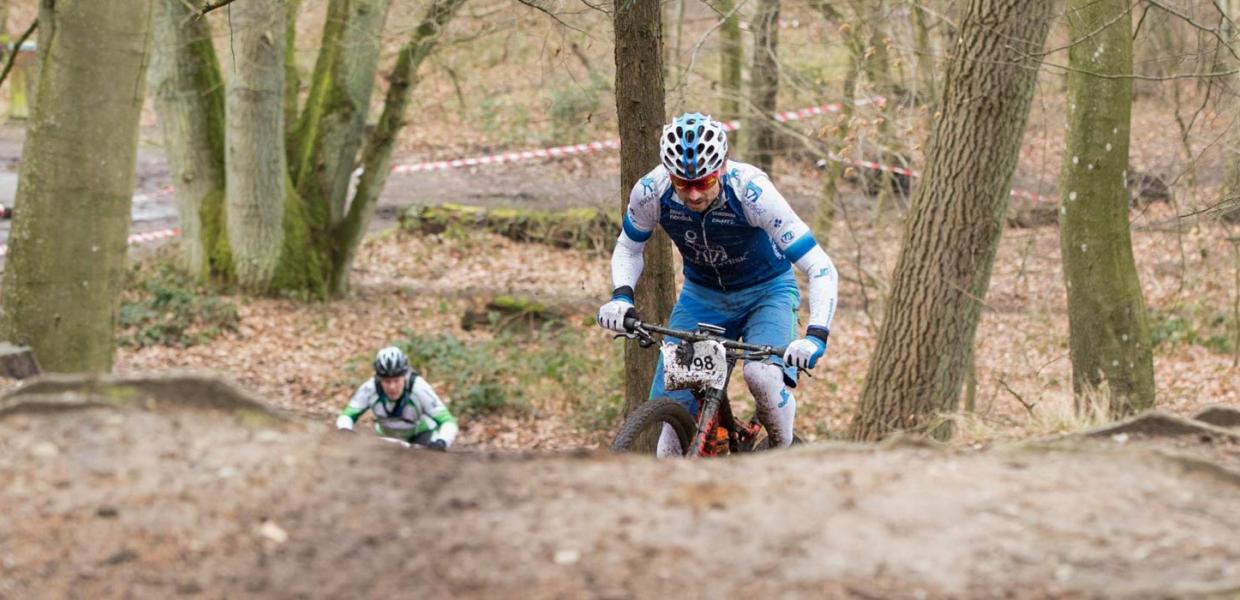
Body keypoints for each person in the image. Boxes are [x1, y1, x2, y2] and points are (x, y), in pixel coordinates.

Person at [597, 112, 838, 455]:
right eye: (683, 184)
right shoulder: (652, 191)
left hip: (767, 293)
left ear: (722, 168)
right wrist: (621, 297)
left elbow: (820, 266)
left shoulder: (752, 192)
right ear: (669, 175)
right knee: (670, 431)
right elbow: (628, 247)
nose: (694, 195)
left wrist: (816, 336)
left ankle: (781, 451)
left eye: (704, 182)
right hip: (703, 297)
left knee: (762, 377)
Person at [336, 346, 459, 450]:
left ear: (404, 376)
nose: (392, 387)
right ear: (379, 378)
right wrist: (345, 430)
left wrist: (441, 442)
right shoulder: (369, 388)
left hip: (421, 437)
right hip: (387, 440)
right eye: (386, 381)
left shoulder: (419, 388)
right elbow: (347, 416)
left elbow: (448, 422)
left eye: (396, 380)